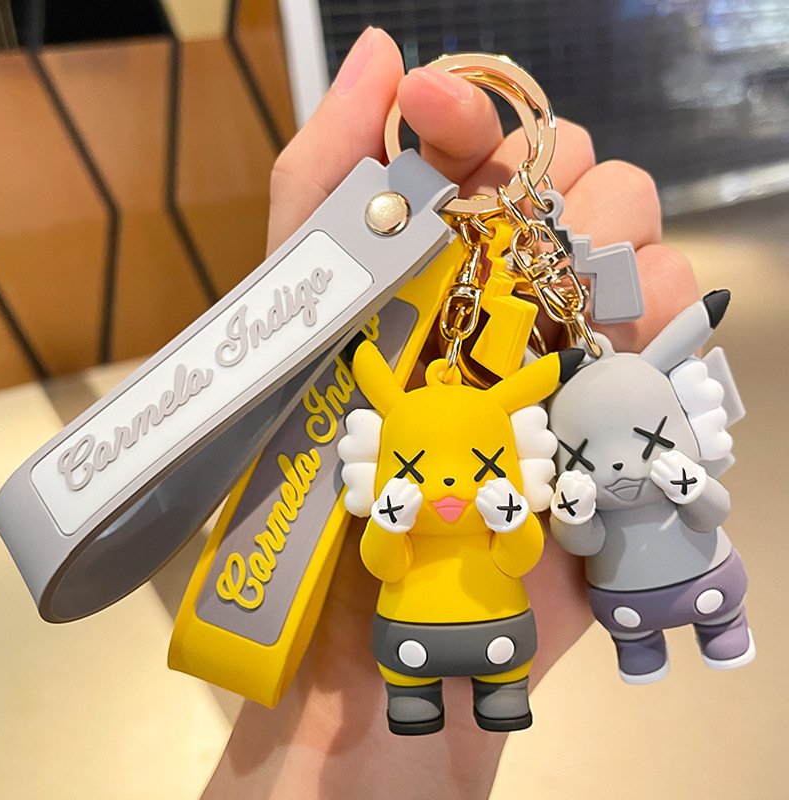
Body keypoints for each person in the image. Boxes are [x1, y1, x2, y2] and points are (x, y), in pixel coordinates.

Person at [203, 27, 699, 799]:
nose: (441, 487)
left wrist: (510, 518)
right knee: (415, 682)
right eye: (410, 469)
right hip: (406, 629)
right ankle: (415, 702)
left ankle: (488, 698)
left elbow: (519, 548)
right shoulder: (402, 486)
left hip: (492, 620)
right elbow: (383, 558)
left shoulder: (502, 473)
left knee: (493, 673)